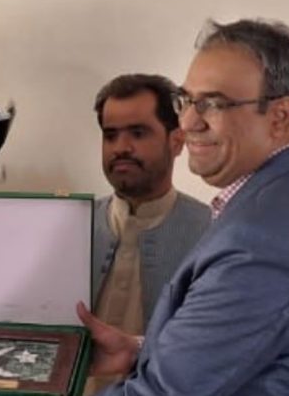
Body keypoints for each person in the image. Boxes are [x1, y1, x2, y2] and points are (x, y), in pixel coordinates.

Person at [76, 19, 289, 395]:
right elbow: (252, 347)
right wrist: (140, 350)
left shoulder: (259, 242)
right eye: (186, 101)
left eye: (213, 104)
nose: (188, 122)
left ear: (279, 116)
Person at [88, 74, 210, 392]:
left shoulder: (211, 234)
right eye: (110, 135)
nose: (121, 148)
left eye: (138, 133)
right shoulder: (70, 227)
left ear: (176, 142)